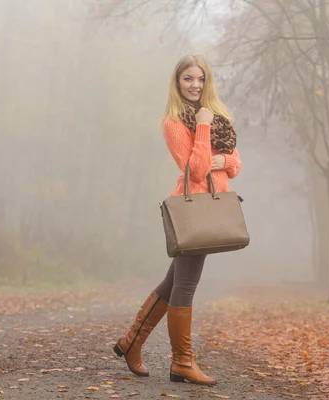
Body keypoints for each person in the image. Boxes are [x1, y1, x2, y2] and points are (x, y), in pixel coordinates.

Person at [113, 54, 242, 386]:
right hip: (192, 211)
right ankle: (182, 362)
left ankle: (132, 341)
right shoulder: (174, 122)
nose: (195, 85)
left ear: (207, 81)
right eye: (188, 79)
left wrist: (220, 157)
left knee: (173, 283)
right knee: (185, 285)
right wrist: (202, 126)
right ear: (177, 82)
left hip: (208, 208)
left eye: (200, 79)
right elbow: (195, 169)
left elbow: (236, 164)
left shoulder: (221, 118)